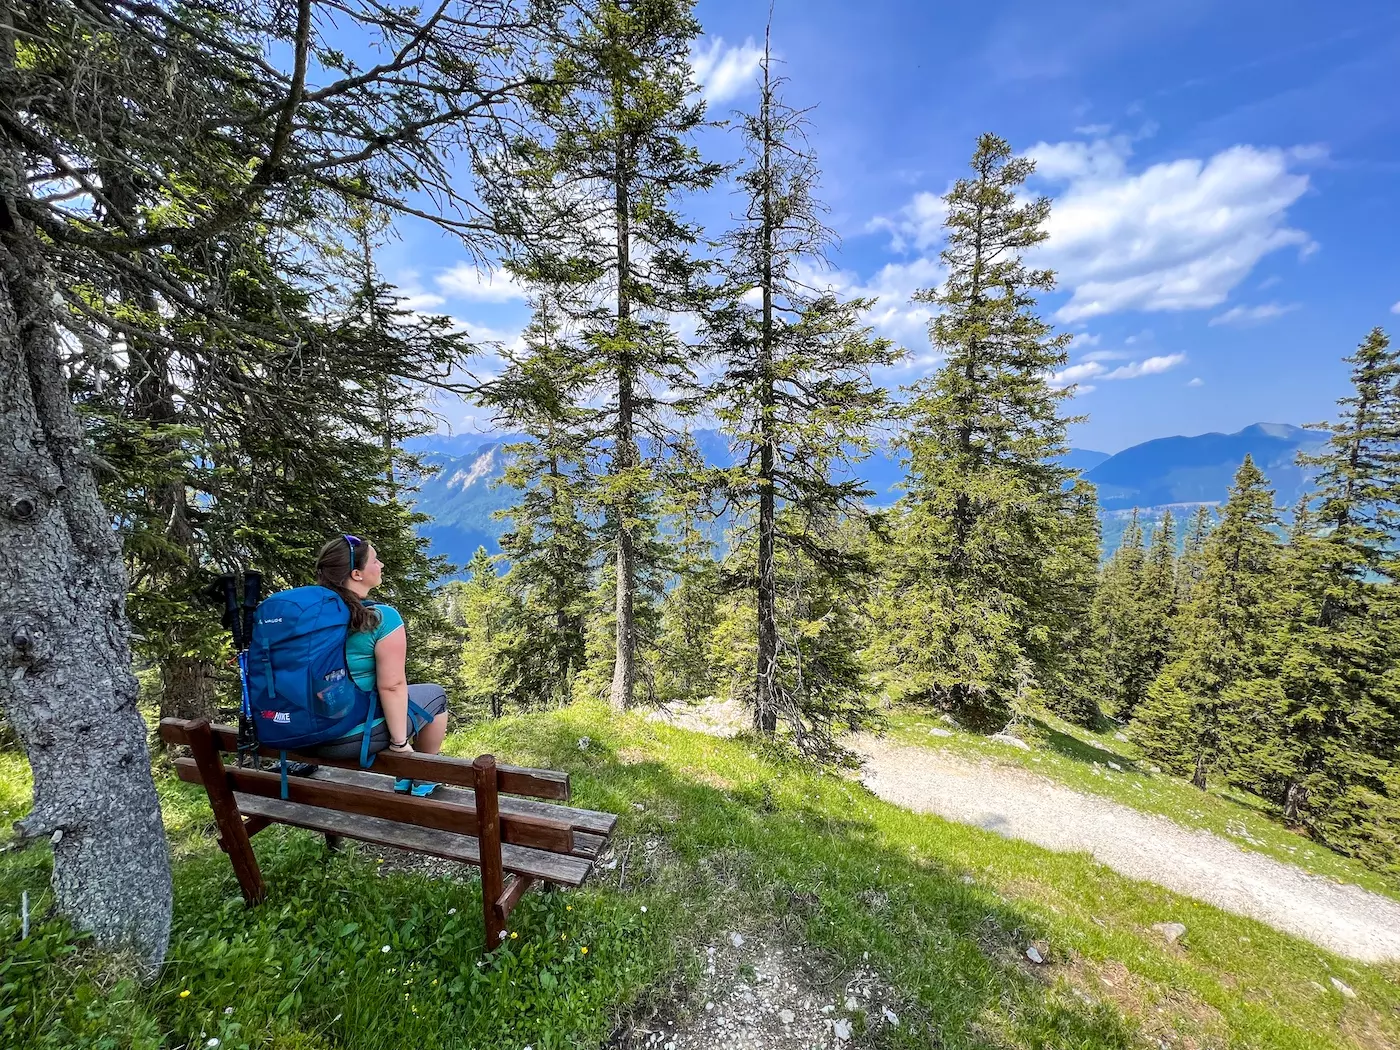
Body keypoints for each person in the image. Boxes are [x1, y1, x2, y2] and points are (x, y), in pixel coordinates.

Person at [311, 534, 448, 796]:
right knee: (436, 696)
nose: (381, 564)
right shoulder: (379, 618)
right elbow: (392, 686)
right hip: (347, 736)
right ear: (356, 574)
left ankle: (411, 777)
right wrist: (399, 745)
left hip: (307, 731)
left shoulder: (310, 618)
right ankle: (420, 776)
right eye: (374, 560)